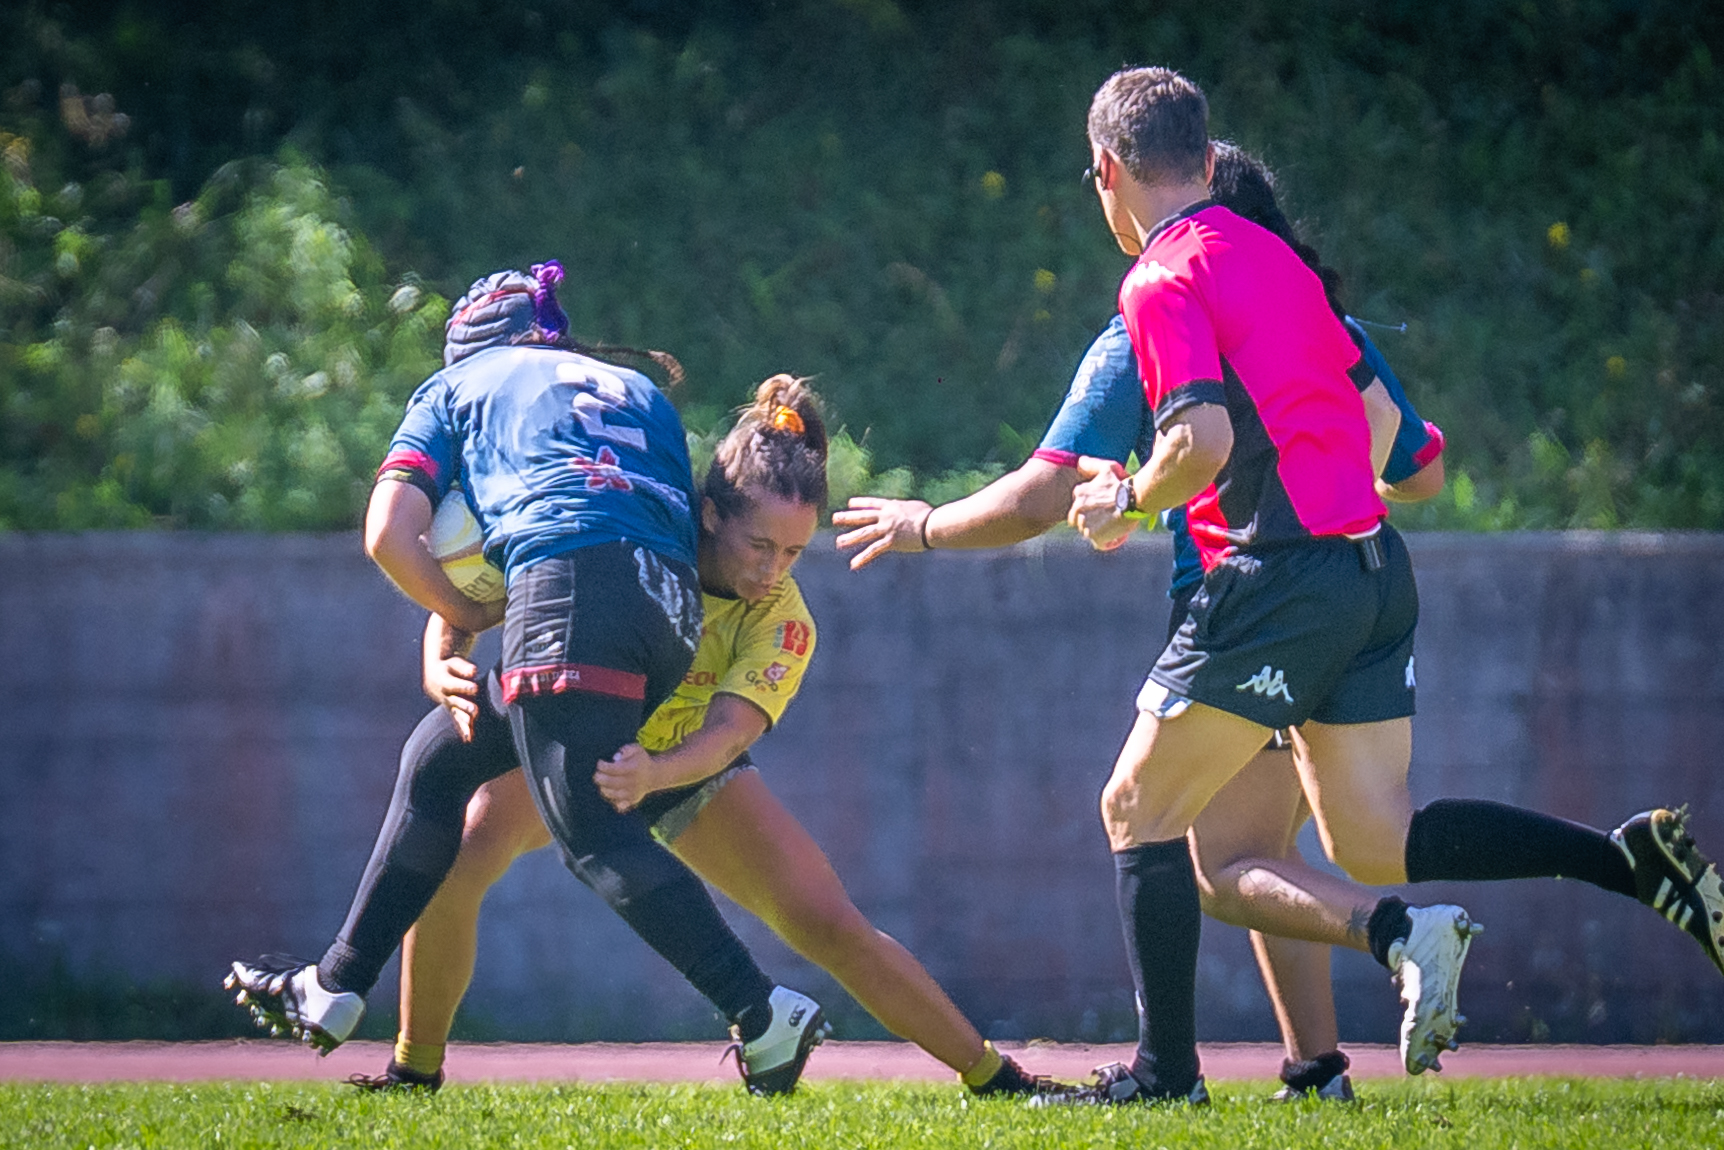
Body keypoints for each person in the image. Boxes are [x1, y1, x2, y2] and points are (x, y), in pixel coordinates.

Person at [1047, 65, 1723, 1105]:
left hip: (1273, 577)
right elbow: (1392, 447)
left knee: (1135, 805)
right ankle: (1625, 862)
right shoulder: (1279, 260)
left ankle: (1163, 1074)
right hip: (1368, 569)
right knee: (1374, 836)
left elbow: (1196, 437)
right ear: (1202, 147)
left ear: (1104, 170)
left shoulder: (1160, 275)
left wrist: (1127, 499)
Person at [836, 140, 1452, 1101]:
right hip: (1353, 578)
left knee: (1184, 837)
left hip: (1250, 590)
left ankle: (1211, 1050)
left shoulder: (1163, 301)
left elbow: (1048, 490)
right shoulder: (1304, 305)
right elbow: (1416, 465)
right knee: (1263, 848)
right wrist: (1328, 487)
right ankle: (1320, 1068)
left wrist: (927, 525)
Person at [346, 376, 1052, 1099]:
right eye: (759, 545)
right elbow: (496, 565)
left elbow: (727, 733)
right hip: (577, 735)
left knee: (826, 921)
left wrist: (656, 772)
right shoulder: (636, 521)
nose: (771, 570)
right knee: (458, 858)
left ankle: (995, 1077)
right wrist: (442, 655)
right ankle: (414, 1070)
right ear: (708, 513)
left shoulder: (784, 619)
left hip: (679, 764)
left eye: (793, 553)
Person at [227, 263, 827, 1093]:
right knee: (441, 759)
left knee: (592, 830)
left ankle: (764, 1015)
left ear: (469, 348)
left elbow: (388, 536)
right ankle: (335, 984)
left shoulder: (460, 386)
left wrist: (460, 616)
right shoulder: (636, 389)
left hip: (570, 592)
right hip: (668, 616)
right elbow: (623, 506)